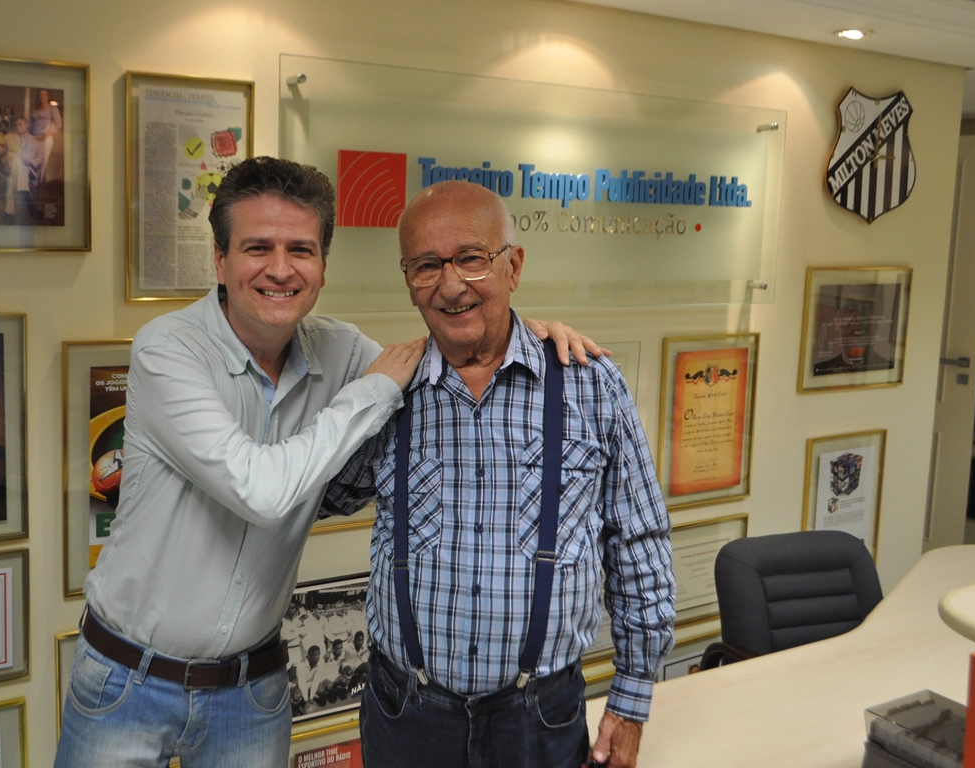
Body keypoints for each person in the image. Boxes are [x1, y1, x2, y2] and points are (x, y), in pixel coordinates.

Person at [53, 157, 601, 768]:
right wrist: (370, 393)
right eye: (257, 247)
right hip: (128, 681)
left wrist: (528, 336)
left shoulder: (339, 349)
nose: (280, 269)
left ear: (322, 265)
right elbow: (260, 488)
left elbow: (447, 354)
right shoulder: (167, 350)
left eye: (301, 250)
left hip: (250, 690)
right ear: (220, 260)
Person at [322, 180, 676, 768]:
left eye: (472, 259)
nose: (452, 284)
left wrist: (632, 698)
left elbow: (638, 544)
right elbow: (317, 495)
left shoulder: (590, 385)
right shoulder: (387, 394)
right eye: (427, 265)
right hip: (406, 714)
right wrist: (353, 395)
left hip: (539, 716)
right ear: (408, 282)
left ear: (513, 266)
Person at [0, 116, 42, 222]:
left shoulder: (35, 140)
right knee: (13, 173)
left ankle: (8, 214)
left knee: (16, 163)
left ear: (27, 125)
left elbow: (40, 157)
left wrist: (31, 162)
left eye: (20, 124)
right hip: (11, 169)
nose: (17, 126)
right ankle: (28, 202)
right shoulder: (8, 137)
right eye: (16, 125)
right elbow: (1, 154)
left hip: (28, 170)